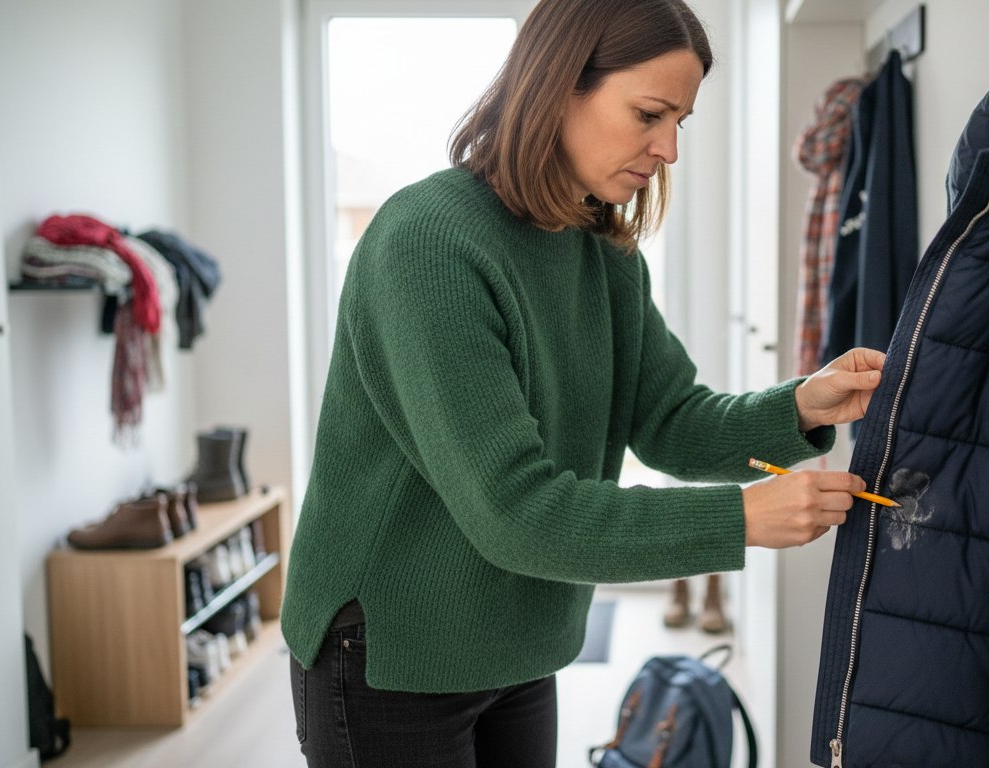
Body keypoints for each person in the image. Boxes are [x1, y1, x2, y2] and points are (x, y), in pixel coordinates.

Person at [280, 1, 886, 765]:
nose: (668, 148)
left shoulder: (601, 247)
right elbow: (517, 512)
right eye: (649, 113)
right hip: (393, 647)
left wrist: (800, 405)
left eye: (681, 121)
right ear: (558, 85)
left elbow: (670, 419)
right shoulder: (427, 244)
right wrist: (740, 520)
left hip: (520, 635)